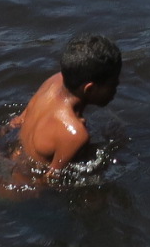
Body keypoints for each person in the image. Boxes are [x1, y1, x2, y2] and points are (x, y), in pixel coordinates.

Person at [9, 33, 122, 178]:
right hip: (20, 191)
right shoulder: (75, 135)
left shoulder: (53, 81)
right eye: (113, 84)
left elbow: (16, 122)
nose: (117, 87)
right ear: (90, 89)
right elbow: (51, 179)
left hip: (9, 158)